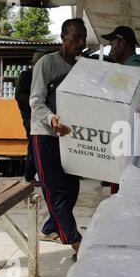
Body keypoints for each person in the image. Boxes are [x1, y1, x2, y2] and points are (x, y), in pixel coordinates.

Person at [30, 18, 87, 262]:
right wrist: (51, 119)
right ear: (63, 37)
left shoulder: (82, 67)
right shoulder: (47, 64)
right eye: (76, 38)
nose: (81, 43)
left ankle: (51, 227)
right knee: (57, 192)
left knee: (72, 188)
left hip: (69, 138)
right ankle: (76, 243)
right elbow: (35, 101)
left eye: (83, 39)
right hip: (46, 136)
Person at [101, 26, 140, 193]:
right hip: (136, 142)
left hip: (136, 146)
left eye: (112, 43)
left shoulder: (132, 69)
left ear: (121, 42)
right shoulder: (132, 67)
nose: (110, 48)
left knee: (128, 196)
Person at [15, 52, 44, 183]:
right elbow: (19, 96)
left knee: (39, 144)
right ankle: (29, 176)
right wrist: (36, 102)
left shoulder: (43, 77)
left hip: (41, 115)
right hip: (29, 115)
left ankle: (35, 175)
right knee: (33, 143)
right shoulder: (26, 76)